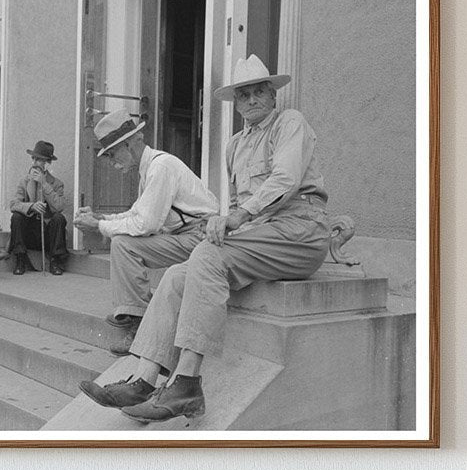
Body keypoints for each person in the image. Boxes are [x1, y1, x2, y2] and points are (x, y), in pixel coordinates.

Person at [79, 54, 330, 422]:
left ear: (273, 95)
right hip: (261, 235)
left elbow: (285, 181)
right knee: (178, 273)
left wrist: (236, 219)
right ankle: (145, 379)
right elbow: (240, 202)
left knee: (207, 258)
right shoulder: (234, 146)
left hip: (299, 231)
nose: (252, 100)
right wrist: (236, 223)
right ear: (237, 103)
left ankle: (187, 384)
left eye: (260, 91)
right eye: (244, 95)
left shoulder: (290, 123)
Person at [73, 110, 219, 353]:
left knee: (123, 244)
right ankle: (133, 313)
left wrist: (99, 226)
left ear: (130, 143)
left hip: (201, 238)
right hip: (184, 236)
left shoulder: (161, 167)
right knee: (122, 241)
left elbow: (145, 225)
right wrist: (102, 217)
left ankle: (138, 321)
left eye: (111, 153)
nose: (111, 161)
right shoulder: (149, 167)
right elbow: (137, 213)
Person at [9, 141, 68, 275]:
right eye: (33, 158)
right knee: (16, 216)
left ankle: (55, 260)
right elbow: (13, 204)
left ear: (47, 163)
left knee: (59, 218)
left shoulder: (57, 184)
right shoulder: (24, 181)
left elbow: (59, 206)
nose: (34, 162)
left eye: (39, 159)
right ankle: (20, 258)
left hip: (47, 234)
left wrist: (44, 184)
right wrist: (31, 207)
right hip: (30, 232)